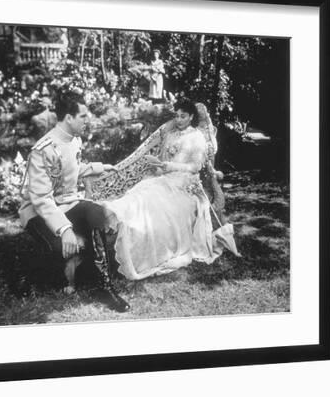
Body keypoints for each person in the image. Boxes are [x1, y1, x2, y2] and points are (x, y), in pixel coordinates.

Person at [19, 90, 130, 312]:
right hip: (38, 209)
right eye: (83, 116)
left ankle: (104, 286)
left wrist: (98, 168)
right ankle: (37, 275)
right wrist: (65, 229)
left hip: (67, 202)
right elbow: (40, 198)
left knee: (98, 214)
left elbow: (70, 170)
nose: (87, 121)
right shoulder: (43, 149)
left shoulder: (74, 140)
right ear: (68, 118)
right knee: (62, 247)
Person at [99, 100, 225, 280]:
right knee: (143, 190)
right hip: (166, 179)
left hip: (185, 185)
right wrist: (159, 167)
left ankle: (120, 219)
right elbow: (162, 161)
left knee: (153, 198)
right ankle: (116, 214)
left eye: (183, 116)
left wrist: (170, 166)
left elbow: (196, 166)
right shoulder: (171, 135)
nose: (179, 120)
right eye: (177, 116)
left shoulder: (197, 137)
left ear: (191, 117)